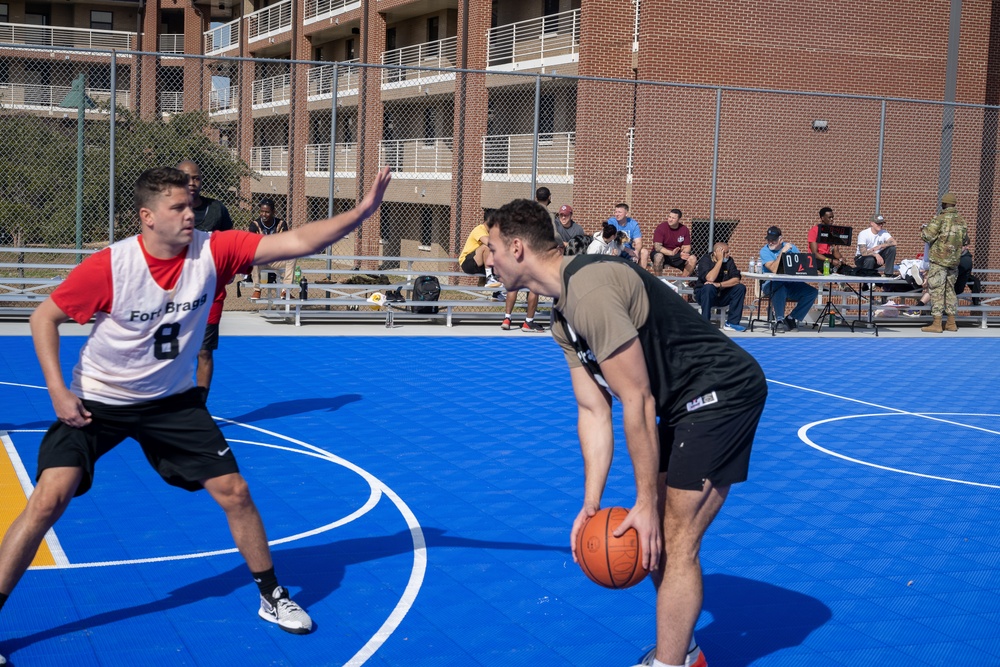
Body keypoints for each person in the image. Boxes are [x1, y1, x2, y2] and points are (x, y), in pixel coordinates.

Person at [0, 166, 393, 664]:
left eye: (192, 205)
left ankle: (271, 595)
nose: (191, 214)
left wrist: (360, 213)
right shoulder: (111, 266)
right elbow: (43, 317)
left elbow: (298, 241)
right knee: (48, 499)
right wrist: (57, 390)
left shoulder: (214, 249)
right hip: (100, 399)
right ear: (147, 217)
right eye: (178, 208)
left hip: (170, 401)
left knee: (236, 491)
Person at [485, 199, 767, 667]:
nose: (486, 258)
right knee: (656, 533)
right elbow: (593, 409)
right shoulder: (563, 318)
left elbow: (636, 400)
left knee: (673, 538)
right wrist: (591, 502)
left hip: (723, 391)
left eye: (491, 247)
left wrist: (642, 502)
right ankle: (686, 649)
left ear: (517, 248)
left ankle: (671, 662)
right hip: (683, 400)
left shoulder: (589, 291)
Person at [177, 160, 233, 395]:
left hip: (210, 294)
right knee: (171, 352)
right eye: (186, 177)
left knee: (204, 351)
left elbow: (232, 245)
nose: (192, 182)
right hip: (176, 294)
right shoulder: (168, 210)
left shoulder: (217, 210)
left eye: (196, 178)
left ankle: (199, 405)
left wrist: (229, 271)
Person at [920, 192, 969, 333]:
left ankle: (936, 323)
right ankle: (951, 323)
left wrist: (923, 229)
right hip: (953, 262)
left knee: (936, 290)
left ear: (943, 204)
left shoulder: (939, 219)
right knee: (950, 291)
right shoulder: (961, 221)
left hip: (939, 261)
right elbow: (965, 241)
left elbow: (927, 236)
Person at [759, 226, 817, 331]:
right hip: (770, 284)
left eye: (774, 240)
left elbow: (801, 265)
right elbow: (774, 269)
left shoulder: (792, 248)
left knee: (811, 292)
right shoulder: (765, 251)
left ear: (781, 239)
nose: (770, 242)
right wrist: (783, 252)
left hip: (790, 283)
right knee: (780, 287)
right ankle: (779, 319)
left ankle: (791, 318)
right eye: (769, 239)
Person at [247, 199, 296, 300]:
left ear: (273, 212)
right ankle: (257, 290)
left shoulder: (281, 224)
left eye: (267, 212)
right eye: (262, 211)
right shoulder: (255, 225)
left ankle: (285, 290)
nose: (264, 214)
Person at [693, 242, 746, 332]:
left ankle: (732, 323)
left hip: (721, 294)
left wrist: (719, 284)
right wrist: (720, 261)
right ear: (715, 253)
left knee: (740, 288)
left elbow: (736, 279)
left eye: (728, 252)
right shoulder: (705, 260)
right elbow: (710, 278)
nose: (728, 254)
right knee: (709, 287)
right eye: (725, 252)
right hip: (704, 295)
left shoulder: (729, 261)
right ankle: (705, 323)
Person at [458, 213, 503, 291]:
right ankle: (489, 279)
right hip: (467, 262)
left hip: (480, 263)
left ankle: (498, 295)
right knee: (486, 247)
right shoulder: (479, 229)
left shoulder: (491, 233)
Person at [651, 209, 696, 277]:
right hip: (663, 253)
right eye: (669, 217)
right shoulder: (661, 227)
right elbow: (657, 247)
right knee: (658, 256)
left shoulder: (684, 229)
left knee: (693, 258)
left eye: (673, 218)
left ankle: (682, 282)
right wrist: (671, 253)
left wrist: (684, 252)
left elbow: (687, 246)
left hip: (677, 254)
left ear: (678, 219)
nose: (670, 219)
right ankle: (658, 281)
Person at [608, 203, 649, 268]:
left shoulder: (633, 224)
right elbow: (612, 240)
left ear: (626, 214)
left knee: (644, 252)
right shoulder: (611, 222)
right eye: (615, 212)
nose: (616, 214)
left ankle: (641, 276)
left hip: (629, 252)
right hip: (616, 248)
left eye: (619, 212)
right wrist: (627, 250)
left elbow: (638, 242)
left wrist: (636, 252)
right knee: (613, 251)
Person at [807, 207, 845, 272]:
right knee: (831, 268)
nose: (832, 219)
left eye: (832, 217)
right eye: (829, 217)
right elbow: (815, 253)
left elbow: (835, 251)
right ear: (822, 218)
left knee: (845, 268)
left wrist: (840, 258)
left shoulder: (832, 232)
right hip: (817, 258)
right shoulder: (814, 230)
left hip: (827, 257)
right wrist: (831, 261)